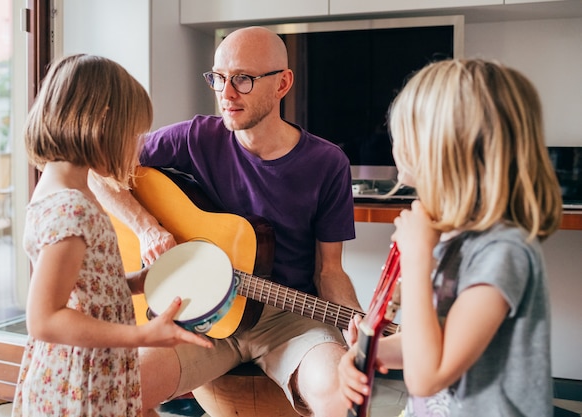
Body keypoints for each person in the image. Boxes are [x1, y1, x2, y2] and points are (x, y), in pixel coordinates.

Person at [91, 26, 362, 416]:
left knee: (340, 395)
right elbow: (95, 167)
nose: (226, 93)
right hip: (202, 317)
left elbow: (330, 272)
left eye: (243, 79)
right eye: (218, 78)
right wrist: (146, 227)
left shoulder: (328, 163)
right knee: (115, 394)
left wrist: (358, 325)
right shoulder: (195, 137)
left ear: (283, 83)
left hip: (290, 319)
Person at [338, 58, 563, 416]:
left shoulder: (503, 252)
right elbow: (434, 341)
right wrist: (374, 350)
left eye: (406, 133)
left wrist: (416, 262)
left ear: (444, 149)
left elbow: (429, 376)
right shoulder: (446, 237)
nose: (394, 143)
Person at [11, 54, 213, 417]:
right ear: (103, 121)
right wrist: (142, 337)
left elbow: (80, 287)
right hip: (80, 383)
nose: (135, 150)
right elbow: (44, 319)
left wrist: (138, 282)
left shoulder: (61, 188)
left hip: (94, 371)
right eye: (132, 134)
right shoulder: (71, 208)